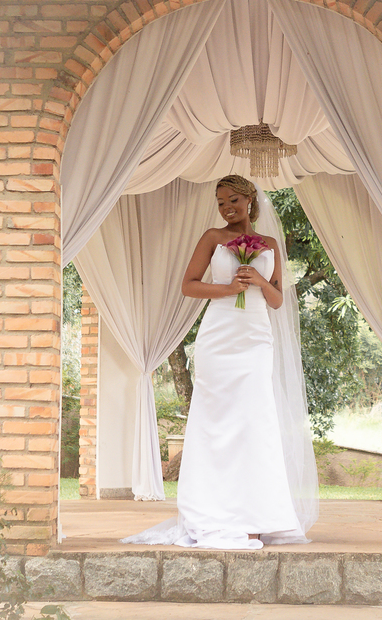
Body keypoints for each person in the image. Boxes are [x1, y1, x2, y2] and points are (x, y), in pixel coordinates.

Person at [121, 175, 318, 550]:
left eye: (233, 200)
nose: (227, 207)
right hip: (219, 337)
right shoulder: (213, 237)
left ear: (250, 200)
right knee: (215, 422)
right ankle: (211, 509)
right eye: (221, 202)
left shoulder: (271, 244)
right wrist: (229, 289)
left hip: (256, 339)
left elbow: (277, 301)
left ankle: (257, 518)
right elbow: (189, 284)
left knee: (254, 421)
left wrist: (259, 280)